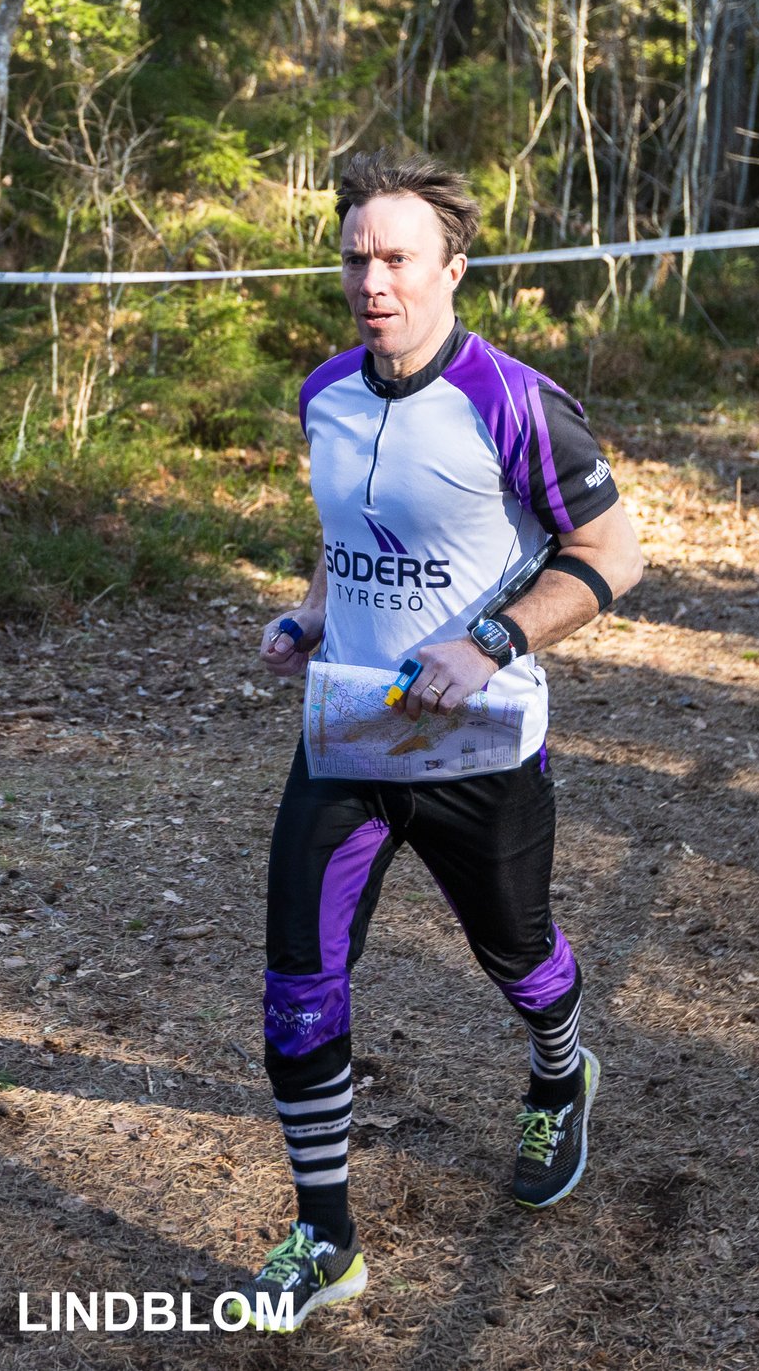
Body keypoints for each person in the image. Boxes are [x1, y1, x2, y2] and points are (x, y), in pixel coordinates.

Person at [239, 150, 645, 1330]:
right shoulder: (325, 390)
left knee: (517, 953)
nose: (375, 279)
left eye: (399, 258)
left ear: (451, 269)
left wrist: (497, 642)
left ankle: (560, 1069)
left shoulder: (515, 398)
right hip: (350, 738)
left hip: (480, 747)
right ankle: (326, 1238)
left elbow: (613, 555)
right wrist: (310, 613)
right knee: (297, 982)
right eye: (358, 256)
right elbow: (345, 529)